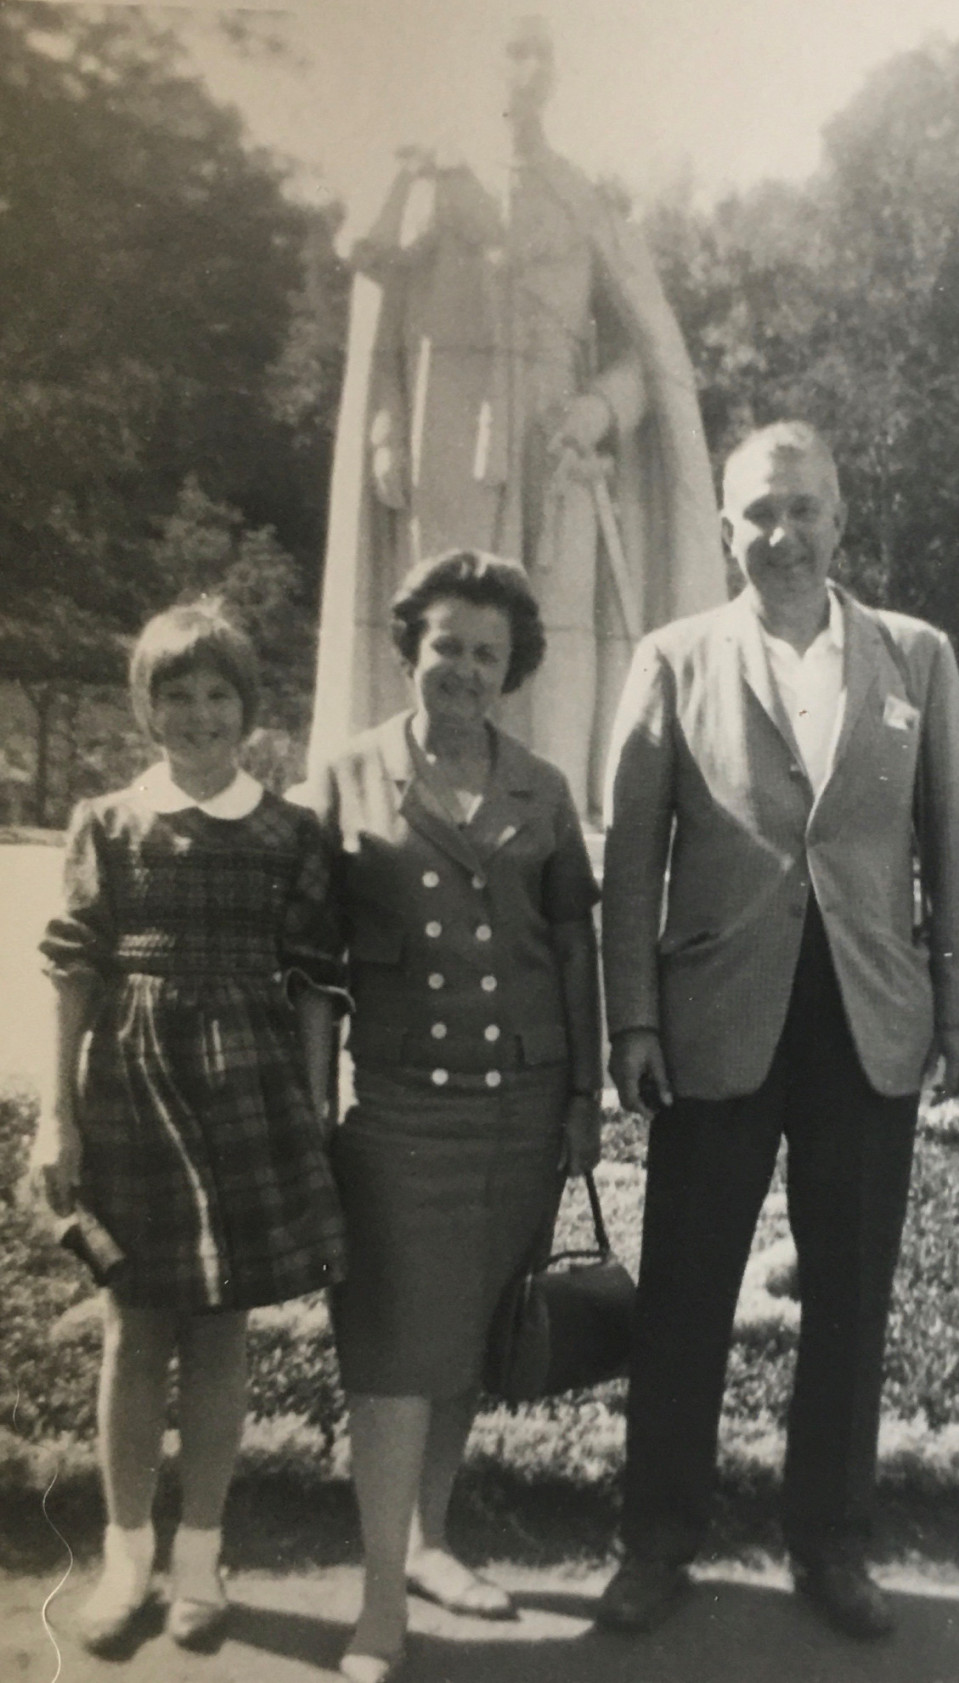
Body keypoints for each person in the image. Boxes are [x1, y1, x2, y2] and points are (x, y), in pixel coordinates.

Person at [596, 421, 959, 1639]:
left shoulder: (915, 658)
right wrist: (633, 1019)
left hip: (868, 1019)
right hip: (717, 1015)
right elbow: (629, 859)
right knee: (686, 1294)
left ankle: (831, 1544)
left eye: (803, 509)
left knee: (853, 1294)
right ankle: (656, 1539)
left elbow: (951, 845)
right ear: (726, 528)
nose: (782, 534)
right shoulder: (672, 656)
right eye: (759, 513)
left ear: (839, 519)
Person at [297, 550, 603, 1683]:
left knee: (469, 1339)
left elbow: (572, 948)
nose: (465, 669)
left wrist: (581, 1099)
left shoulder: (543, 789)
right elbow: (315, 969)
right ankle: (380, 1602)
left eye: (486, 651)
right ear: (411, 650)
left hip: (522, 1112)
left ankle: (431, 1544)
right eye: (446, 647)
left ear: (510, 665)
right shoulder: (347, 775)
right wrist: (310, 1104)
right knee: (389, 1356)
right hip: (400, 1115)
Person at [28, 604, 347, 1655]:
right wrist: (56, 1113)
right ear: (147, 706)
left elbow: (313, 984)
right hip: (132, 1092)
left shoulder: (289, 830)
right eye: (177, 696)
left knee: (219, 1333)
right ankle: (127, 1559)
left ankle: (202, 1555)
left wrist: (312, 1104)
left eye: (218, 696)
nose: (198, 715)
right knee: (133, 1327)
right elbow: (74, 970)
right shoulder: (108, 822)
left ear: (247, 710)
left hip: (247, 1093)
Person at [310, 14, 725, 819]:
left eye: (541, 51)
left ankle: (543, 810)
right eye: (511, 49)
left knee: (552, 638)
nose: (526, 67)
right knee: (439, 624)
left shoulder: (580, 197)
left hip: (557, 449)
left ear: (554, 73)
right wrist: (387, 425)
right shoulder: (432, 178)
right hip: (447, 436)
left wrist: (601, 408)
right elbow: (379, 300)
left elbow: (650, 351)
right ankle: (419, 799)